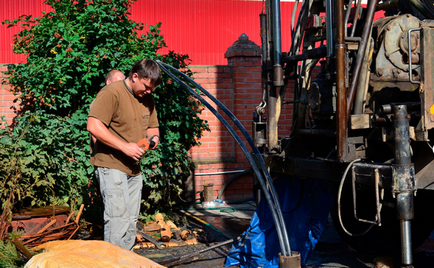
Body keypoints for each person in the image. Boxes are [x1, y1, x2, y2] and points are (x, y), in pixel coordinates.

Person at [87, 59, 161, 250]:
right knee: (117, 218)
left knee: (130, 220)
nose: (149, 91)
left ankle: (125, 260)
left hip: (134, 169)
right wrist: (124, 147)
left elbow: (153, 127)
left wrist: (153, 140)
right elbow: (93, 126)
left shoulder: (147, 97)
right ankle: (113, 262)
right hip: (110, 164)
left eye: (151, 88)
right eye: (146, 86)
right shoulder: (111, 92)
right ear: (135, 76)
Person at [90, 70, 125, 147]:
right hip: (104, 153)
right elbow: (95, 128)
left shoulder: (121, 101)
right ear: (108, 82)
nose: (122, 86)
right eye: (118, 83)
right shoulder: (100, 101)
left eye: (123, 83)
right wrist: (98, 150)